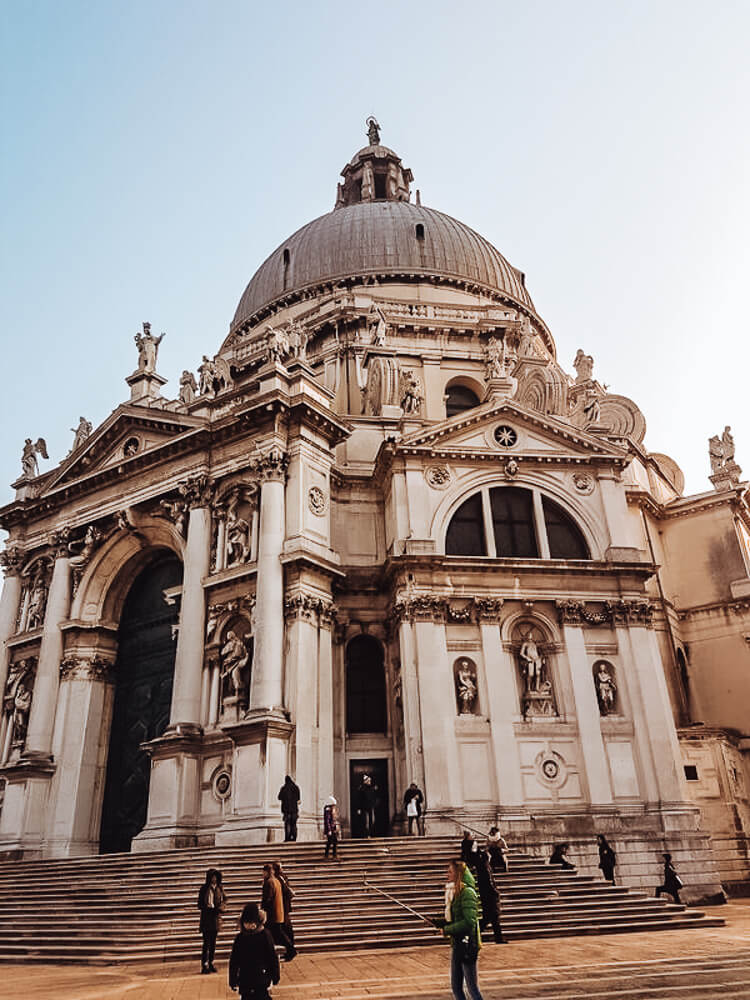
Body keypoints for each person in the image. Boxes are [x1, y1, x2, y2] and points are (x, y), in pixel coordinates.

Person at [433, 859, 485, 1000]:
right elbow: (454, 919)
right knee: (456, 987)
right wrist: (437, 922)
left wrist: (447, 930)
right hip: (457, 943)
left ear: (458, 874)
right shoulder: (455, 893)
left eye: (450, 872)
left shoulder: (467, 892)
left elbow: (469, 922)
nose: (447, 875)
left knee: (472, 988)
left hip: (467, 944)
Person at [228, 902, 280, 1000]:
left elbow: (272, 957)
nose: (250, 925)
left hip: (261, 977)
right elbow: (234, 960)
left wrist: (275, 975)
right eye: (247, 923)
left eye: (252, 922)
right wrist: (233, 980)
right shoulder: (240, 938)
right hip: (245, 979)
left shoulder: (265, 935)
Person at [261, 863, 296, 961]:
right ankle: (284, 951)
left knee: (277, 934)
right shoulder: (276, 881)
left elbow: (268, 898)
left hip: (272, 914)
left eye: (263, 872)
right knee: (276, 934)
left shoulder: (269, 882)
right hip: (277, 912)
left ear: (266, 872)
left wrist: (263, 910)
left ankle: (291, 950)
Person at [197, 868, 226, 974]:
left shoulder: (220, 888)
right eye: (212, 877)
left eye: (216, 877)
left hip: (215, 918)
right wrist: (207, 907)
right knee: (206, 943)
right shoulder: (204, 889)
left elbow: (224, 900)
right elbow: (199, 904)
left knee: (213, 943)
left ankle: (211, 962)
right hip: (206, 918)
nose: (214, 879)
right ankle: (204, 964)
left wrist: (221, 908)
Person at [475, 850, 505, 943]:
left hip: (486, 896)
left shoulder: (482, 867)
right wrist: (495, 891)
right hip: (490, 896)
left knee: (492, 918)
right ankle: (474, 933)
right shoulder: (485, 867)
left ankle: (498, 938)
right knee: (491, 917)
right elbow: (489, 882)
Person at [272, 861, 295, 950]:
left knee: (284, 928)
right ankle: (289, 946)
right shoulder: (282, 877)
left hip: (282, 906)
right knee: (285, 927)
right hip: (283, 906)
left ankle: (290, 947)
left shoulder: (279, 878)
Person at [278, 775, 300, 842]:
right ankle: (294, 837)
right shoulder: (296, 788)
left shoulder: (283, 788)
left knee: (287, 824)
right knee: (294, 824)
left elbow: (279, 797)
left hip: (286, 810)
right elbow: (298, 798)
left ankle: (287, 838)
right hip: (294, 810)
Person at [323, 795, 340, 859]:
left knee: (333, 842)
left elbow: (333, 820)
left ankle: (331, 855)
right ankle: (330, 855)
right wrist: (329, 830)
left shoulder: (332, 810)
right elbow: (327, 821)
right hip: (330, 829)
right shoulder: (328, 810)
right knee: (331, 842)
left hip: (333, 828)